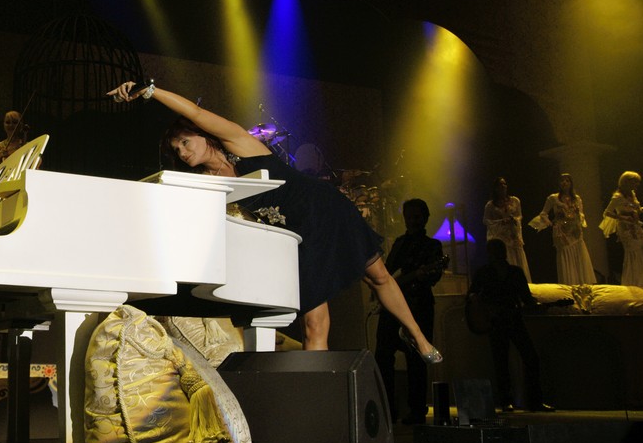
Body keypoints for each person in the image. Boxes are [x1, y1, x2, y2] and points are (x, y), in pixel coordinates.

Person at [108, 80, 441, 361]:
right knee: (314, 323)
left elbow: (194, 113)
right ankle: (315, 398)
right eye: (176, 149)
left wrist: (149, 91)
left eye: (185, 142)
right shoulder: (207, 181)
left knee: (378, 276)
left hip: (324, 209)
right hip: (293, 237)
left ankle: (417, 336)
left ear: (203, 134)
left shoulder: (241, 143)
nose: (182, 152)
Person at [374, 199, 445, 425]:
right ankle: (387, 409)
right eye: (409, 216)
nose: (413, 220)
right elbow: (387, 273)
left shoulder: (432, 246)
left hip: (419, 306)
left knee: (417, 359)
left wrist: (422, 275)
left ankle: (416, 410)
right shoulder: (400, 243)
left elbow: (433, 276)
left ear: (425, 218)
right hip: (392, 309)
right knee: (383, 355)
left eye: (417, 216)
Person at [468, 239, 554, 412]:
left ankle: (524, 401)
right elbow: (471, 295)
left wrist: (538, 305)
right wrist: (484, 308)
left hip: (511, 319)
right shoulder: (489, 273)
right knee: (505, 361)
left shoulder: (512, 272)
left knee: (524, 358)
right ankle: (517, 401)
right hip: (498, 321)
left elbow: (526, 298)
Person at [528, 173, 596, 284]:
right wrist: (550, 223)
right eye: (562, 180)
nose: (564, 183)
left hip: (575, 231)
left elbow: (581, 214)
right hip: (562, 232)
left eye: (567, 180)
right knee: (565, 255)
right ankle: (569, 283)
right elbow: (543, 213)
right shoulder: (553, 198)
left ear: (571, 183)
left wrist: (578, 216)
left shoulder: (577, 198)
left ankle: (582, 284)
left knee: (578, 254)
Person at [600, 171, 643, 287]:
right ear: (626, 182)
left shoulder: (632, 194)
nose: (637, 185)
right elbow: (607, 212)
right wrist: (622, 217)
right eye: (635, 182)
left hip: (636, 226)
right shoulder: (617, 197)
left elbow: (637, 210)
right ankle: (633, 282)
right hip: (626, 228)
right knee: (633, 252)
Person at [483, 177, 532, 281]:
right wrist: (501, 222)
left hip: (513, 235)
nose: (503, 186)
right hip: (502, 237)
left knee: (518, 259)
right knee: (507, 257)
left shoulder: (515, 201)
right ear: (495, 188)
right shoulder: (490, 205)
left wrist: (514, 219)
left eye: (504, 184)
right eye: (500, 184)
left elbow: (520, 216)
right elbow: (486, 221)